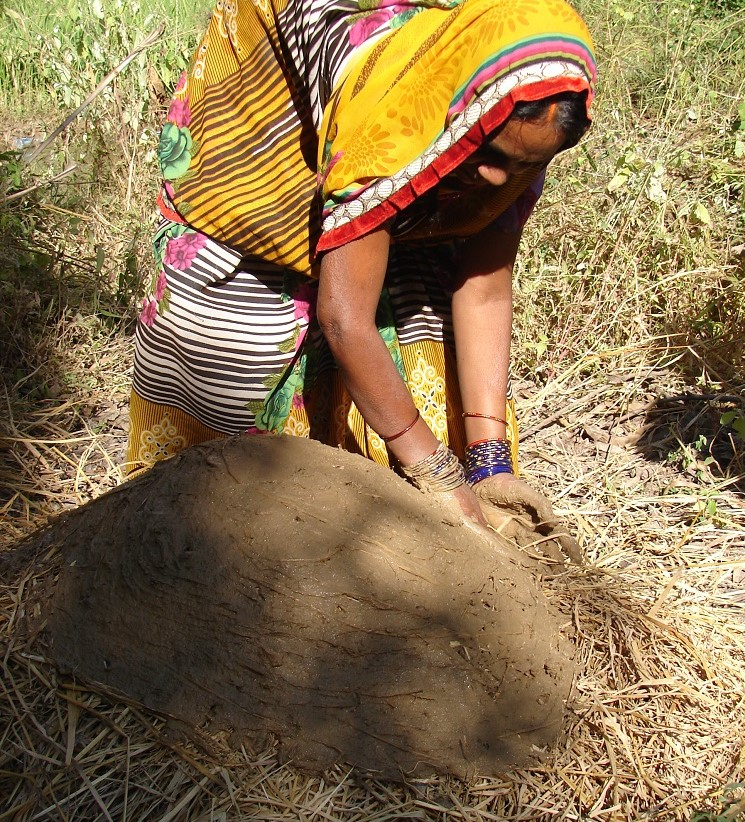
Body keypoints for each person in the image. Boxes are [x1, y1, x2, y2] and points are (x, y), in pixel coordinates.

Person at [127, 0, 596, 547]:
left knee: (421, 320)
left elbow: (485, 288)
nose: (498, 178)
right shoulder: (392, 118)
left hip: (416, 141)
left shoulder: (511, 119)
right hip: (265, 161)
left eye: (524, 165)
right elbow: (344, 316)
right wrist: (436, 474)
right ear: (464, 112)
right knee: (231, 455)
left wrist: (490, 466)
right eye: (490, 153)